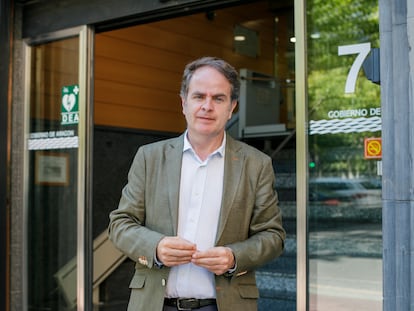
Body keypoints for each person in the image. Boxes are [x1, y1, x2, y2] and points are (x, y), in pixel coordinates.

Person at [108, 56, 286, 311]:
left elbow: (273, 236)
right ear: (184, 103)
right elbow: (120, 224)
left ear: (232, 107)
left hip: (224, 305)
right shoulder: (150, 157)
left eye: (218, 98)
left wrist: (234, 257)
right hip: (155, 304)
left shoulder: (256, 164)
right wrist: (155, 247)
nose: (207, 106)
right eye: (199, 96)